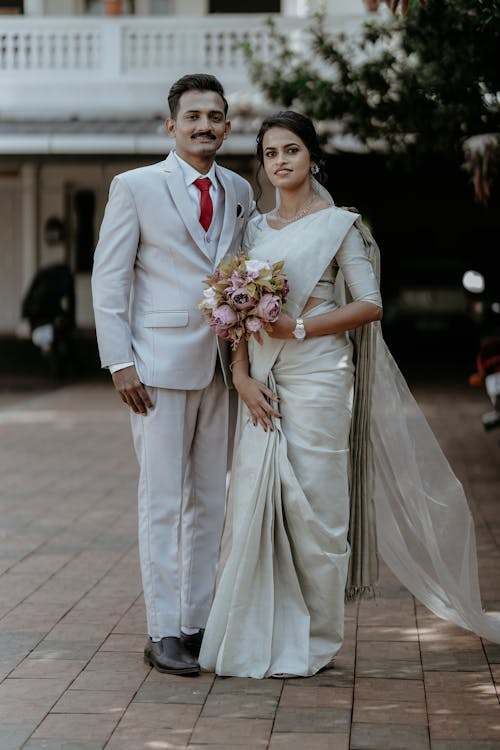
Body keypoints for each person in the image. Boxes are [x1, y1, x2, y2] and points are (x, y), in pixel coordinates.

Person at [199, 111, 500, 679]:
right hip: (262, 380)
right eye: (269, 154)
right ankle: (257, 629)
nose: (280, 162)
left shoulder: (341, 225)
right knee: (258, 505)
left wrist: (302, 329)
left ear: (312, 156)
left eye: (291, 150)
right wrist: (240, 377)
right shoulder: (253, 230)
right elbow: (232, 312)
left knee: (316, 510)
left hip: (320, 377)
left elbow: (371, 304)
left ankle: (312, 637)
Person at [91, 74, 255, 676]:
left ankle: (197, 623)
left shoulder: (239, 189)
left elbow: (242, 268)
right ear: (172, 125)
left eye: (215, 116)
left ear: (227, 125)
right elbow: (111, 278)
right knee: (161, 500)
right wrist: (120, 361)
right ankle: (161, 630)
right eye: (193, 117)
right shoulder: (134, 186)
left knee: (211, 499)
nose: (204, 125)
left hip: (221, 366)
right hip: (155, 367)